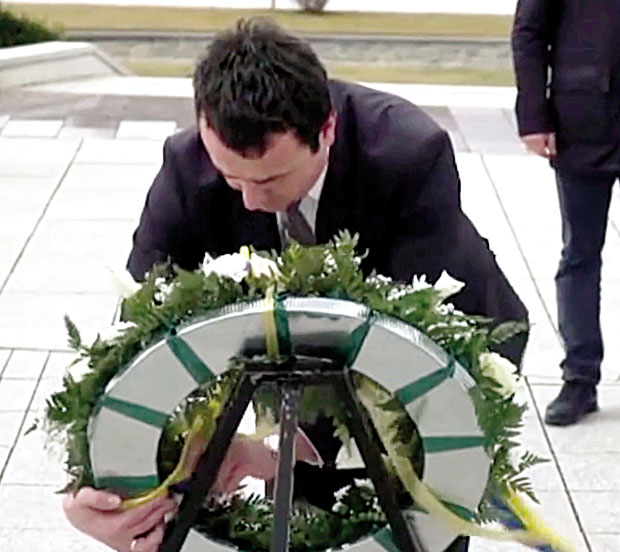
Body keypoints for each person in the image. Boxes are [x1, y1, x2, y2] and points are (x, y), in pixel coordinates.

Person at [63, 18, 528, 552]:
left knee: (411, 528)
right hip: (299, 368)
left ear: (326, 130)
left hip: (432, 365)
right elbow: (137, 337)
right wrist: (99, 481)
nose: (250, 201)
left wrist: (278, 448)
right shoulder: (187, 169)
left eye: (270, 179)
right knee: (298, 518)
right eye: (232, 177)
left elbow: (407, 356)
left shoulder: (408, 155)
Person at [512, 0, 620, 426]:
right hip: (583, 118)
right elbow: (529, 33)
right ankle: (579, 376)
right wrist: (533, 115)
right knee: (579, 254)